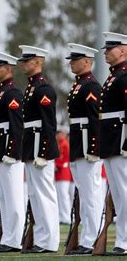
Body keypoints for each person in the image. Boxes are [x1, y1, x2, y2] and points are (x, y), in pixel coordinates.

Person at [18, 45, 60, 253]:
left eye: (27, 61)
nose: (23, 64)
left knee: (44, 194)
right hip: (31, 145)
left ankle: (49, 241)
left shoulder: (43, 89)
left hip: (39, 147)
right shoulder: (32, 87)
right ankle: (41, 239)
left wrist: (43, 152)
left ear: (38, 62)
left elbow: (48, 124)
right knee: (35, 195)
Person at [64, 43, 103, 255]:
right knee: (84, 193)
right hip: (79, 142)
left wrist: (94, 148)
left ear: (87, 61)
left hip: (88, 144)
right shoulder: (80, 85)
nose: (71, 63)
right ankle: (87, 237)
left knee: (91, 194)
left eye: (75, 59)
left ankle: (91, 239)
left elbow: (95, 119)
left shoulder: (91, 86)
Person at [0, 51, 24, 253]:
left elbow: (16, 125)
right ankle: (8, 237)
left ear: (9, 68)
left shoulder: (13, 93)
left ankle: (14, 239)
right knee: (5, 196)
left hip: (9, 152)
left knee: (14, 197)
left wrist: (12, 151)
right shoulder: (2, 92)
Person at [98, 32, 127, 256]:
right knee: (118, 194)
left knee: (124, 193)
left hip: (120, 141)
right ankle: (122, 240)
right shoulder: (113, 76)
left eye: (111, 48)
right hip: (111, 141)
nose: (106, 52)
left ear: (123, 50)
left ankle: (125, 241)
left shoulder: (124, 76)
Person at [55, 128, 73, 225]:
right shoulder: (60, 144)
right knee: (60, 196)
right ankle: (62, 216)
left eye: (59, 133)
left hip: (63, 173)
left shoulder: (64, 144)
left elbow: (65, 159)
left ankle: (66, 216)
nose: (58, 135)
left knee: (64, 195)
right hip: (59, 173)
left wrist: (57, 165)